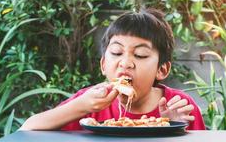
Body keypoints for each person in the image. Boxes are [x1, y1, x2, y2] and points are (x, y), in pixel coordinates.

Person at [20, 8, 205, 131]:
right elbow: (28, 130)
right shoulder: (89, 102)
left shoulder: (178, 106)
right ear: (103, 64)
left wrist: (173, 126)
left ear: (162, 70)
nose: (125, 63)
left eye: (140, 55)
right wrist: (80, 107)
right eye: (116, 52)